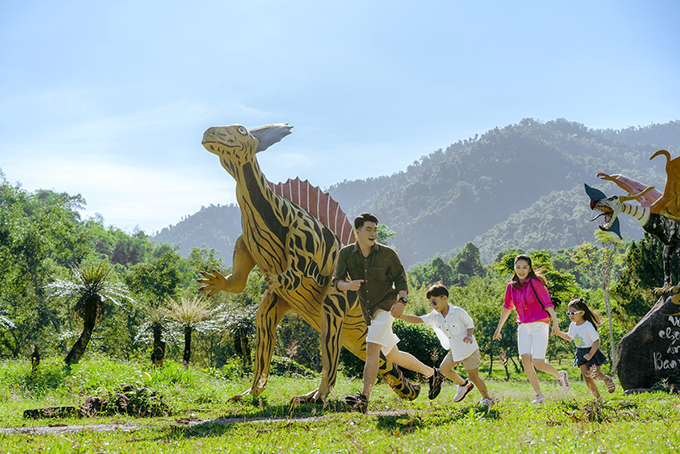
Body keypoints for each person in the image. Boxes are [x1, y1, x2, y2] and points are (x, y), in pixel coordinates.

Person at [333, 212, 443, 411]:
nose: (373, 233)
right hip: (369, 312)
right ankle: (433, 374)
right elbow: (337, 281)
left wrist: (402, 301)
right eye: (369, 229)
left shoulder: (387, 253)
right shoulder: (346, 254)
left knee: (372, 349)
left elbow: (401, 279)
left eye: (375, 229)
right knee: (393, 355)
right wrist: (347, 285)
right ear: (357, 232)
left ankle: (363, 399)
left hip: (387, 306)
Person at [399, 282, 494, 406]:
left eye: (434, 302)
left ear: (444, 298)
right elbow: (418, 319)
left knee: (474, 377)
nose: (432, 305)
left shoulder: (458, 312)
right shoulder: (435, 316)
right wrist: (400, 316)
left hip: (469, 349)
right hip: (454, 350)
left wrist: (469, 335)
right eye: (430, 303)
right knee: (444, 369)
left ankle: (487, 398)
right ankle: (464, 385)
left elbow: (470, 324)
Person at [493, 254, 570, 404]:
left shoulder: (535, 283)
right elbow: (507, 308)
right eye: (518, 267)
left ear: (529, 269)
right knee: (526, 361)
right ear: (514, 268)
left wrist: (556, 323)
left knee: (538, 362)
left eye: (524, 268)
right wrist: (498, 329)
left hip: (540, 325)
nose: (521, 271)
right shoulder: (511, 287)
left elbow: (548, 303)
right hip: (523, 326)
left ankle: (560, 376)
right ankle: (539, 395)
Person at [556, 298, 615, 398]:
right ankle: (598, 398)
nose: (570, 316)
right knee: (587, 378)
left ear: (582, 313)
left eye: (573, 313)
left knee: (595, 375)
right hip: (580, 352)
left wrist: (591, 354)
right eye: (569, 313)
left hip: (592, 351)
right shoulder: (572, 325)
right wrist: (558, 333)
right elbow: (569, 337)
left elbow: (596, 341)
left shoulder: (588, 326)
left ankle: (606, 379)